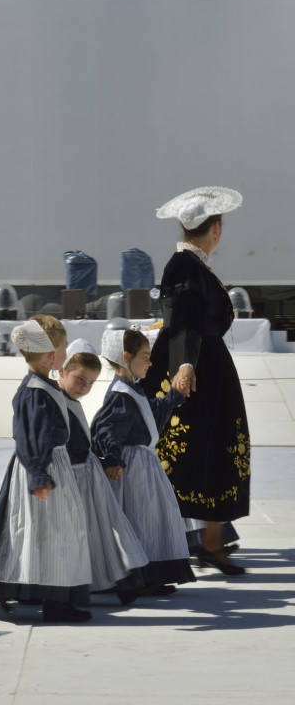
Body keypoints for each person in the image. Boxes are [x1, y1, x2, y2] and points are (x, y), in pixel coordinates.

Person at [0, 319, 93, 623]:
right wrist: (39, 474)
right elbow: (31, 436)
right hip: (43, 467)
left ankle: (50, 595)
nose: (63, 354)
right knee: (52, 535)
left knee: (54, 534)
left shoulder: (45, 387)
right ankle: (54, 601)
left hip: (51, 465)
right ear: (49, 357)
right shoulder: (34, 392)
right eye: (62, 350)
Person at [142, 186, 249, 575]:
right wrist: (185, 366)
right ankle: (200, 543)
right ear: (215, 228)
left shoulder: (188, 264)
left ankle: (208, 541)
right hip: (198, 367)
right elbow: (185, 319)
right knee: (203, 450)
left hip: (201, 363)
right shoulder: (187, 267)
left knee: (207, 450)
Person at [91, 329, 198, 592]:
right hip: (132, 469)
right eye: (145, 357)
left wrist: (175, 395)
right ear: (126, 357)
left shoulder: (132, 390)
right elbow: (106, 428)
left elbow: (153, 413)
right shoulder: (120, 394)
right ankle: (140, 576)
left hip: (144, 466)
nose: (150, 363)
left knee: (152, 519)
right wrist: (112, 457)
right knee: (139, 520)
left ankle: (150, 575)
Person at [57, 338, 148, 602]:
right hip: (73, 479)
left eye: (91, 383)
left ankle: (122, 579)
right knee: (96, 531)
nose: (85, 388)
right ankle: (117, 580)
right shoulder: (56, 400)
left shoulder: (70, 399)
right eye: (80, 380)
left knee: (107, 528)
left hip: (87, 477)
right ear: (62, 371)